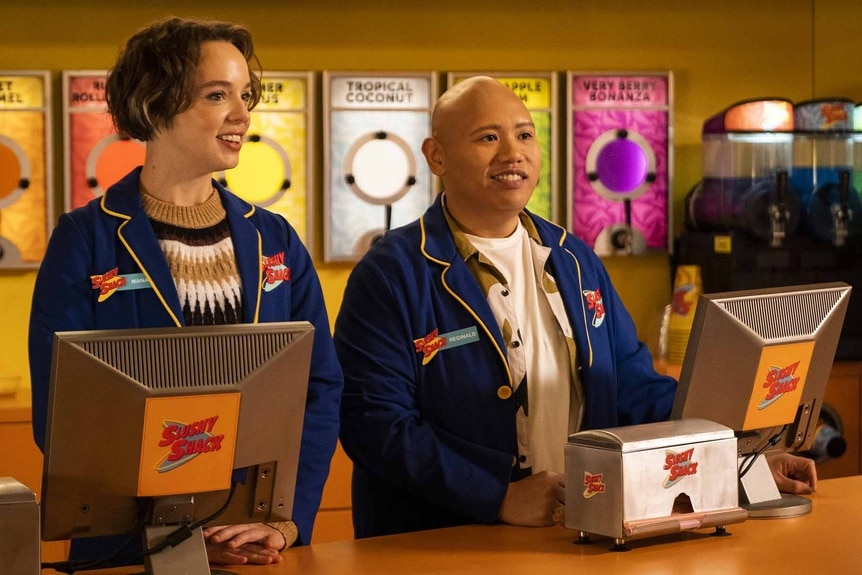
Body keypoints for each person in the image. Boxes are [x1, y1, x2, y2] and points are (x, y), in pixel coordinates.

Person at [334, 76, 816, 539]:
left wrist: (744, 458)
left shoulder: (574, 260)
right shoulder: (390, 274)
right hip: (438, 544)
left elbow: (635, 392)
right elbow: (375, 426)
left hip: (574, 531)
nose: (513, 153)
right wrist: (497, 496)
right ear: (436, 156)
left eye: (525, 135)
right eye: (488, 137)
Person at [28, 17, 342, 567]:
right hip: (126, 548)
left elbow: (318, 387)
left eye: (245, 95)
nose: (242, 114)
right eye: (217, 95)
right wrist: (173, 534)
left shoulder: (276, 239)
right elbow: (64, 413)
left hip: (251, 543)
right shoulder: (85, 239)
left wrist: (283, 520)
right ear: (154, 105)